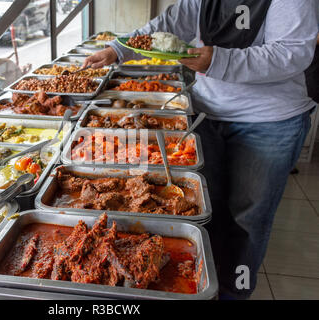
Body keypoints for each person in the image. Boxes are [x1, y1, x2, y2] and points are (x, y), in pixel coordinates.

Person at [83, 0, 318, 299]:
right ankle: (204, 286)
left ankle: (233, 292)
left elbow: (293, 52)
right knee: (206, 209)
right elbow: (172, 21)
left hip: (270, 119)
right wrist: (119, 49)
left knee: (247, 220)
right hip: (206, 111)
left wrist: (217, 61)